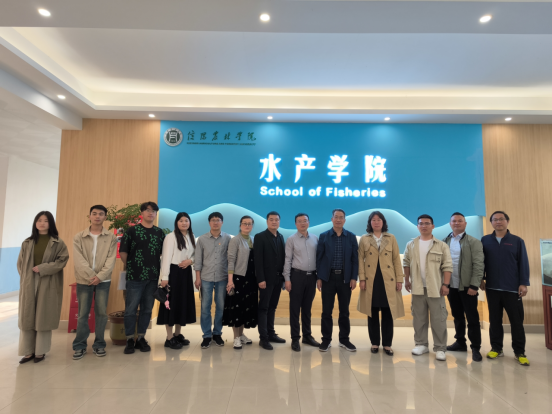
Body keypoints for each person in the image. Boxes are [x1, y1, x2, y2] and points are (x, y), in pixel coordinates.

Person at [17, 211, 69, 364]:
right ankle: (28, 352)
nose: (42, 223)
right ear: (35, 223)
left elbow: (62, 261)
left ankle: (40, 352)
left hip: (48, 281)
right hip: (29, 283)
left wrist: (43, 268)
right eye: (39, 220)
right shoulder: (27, 242)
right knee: (27, 317)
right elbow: (20, 263)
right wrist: (27, 277)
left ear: (50, 223)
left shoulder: (58, 242)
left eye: (46, 221)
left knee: (43, 317)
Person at [481, 211, 530, 366]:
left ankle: (519, 352)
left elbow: (523, 262)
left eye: (501, 219)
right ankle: (496, 348)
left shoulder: (517, 241)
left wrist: (523, 283)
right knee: (495, 320)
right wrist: (481, 278)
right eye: (495, 219)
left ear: (507, 221)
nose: (498, 222)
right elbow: (480, 261)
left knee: (517, 321)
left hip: (512, 289)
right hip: (492, 288)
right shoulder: (485, 240)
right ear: (491, 223)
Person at [403, 214, 452, 361]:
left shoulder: (441, 245)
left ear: (433, 226)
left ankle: (440, 348)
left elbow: (447, 266)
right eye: (421, 223)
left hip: (436, 288)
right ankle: (421, 344)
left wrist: (446, 284)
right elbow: (406, 263)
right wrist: (407, 280)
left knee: (439, 319)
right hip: (417, 288)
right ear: (417, 226)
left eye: (427, 223)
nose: (424, 226)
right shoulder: (411, 244)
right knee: (419, 318)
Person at [72, 205, 118, 360]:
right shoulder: (79, 237)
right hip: (84, 280)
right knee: (83, 314)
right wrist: (92, 276)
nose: (97, 216)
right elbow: (78, 260)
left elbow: (111, 260)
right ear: (89, 216)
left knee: (101, 313)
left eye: (101, 214)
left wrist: (100, 276)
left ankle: (99, 344)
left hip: (103, 281)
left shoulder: (111, 237)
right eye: (94, 213)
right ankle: (80, 346)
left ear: (105, 217)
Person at [119, 201, 165, 354]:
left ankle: (141, 338)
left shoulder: (159, 233)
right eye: (147, 210)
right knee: (131, 309)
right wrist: (133, 266)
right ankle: (129, 339)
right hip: (135, 277)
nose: (151, 213)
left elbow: (161, 254)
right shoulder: (131, 231)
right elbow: (123, 252)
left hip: (153, 277)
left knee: (147, 309)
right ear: (142, 213)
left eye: (153, 211)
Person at [358, 211, 405, 356]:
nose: (376, 222)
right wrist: (362, 279)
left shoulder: (391, 238)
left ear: (383, 222)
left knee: (388, 312)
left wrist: (399, 279)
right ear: (370, 223)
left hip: (388, 279)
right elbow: (360, 260)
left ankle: (387, 344)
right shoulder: (365, 239)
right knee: (371, 312)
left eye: (379, 220)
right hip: (371, 280)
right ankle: (374, 343)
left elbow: (396, 259)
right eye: (373, 220)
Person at [443, 212, 485, 362]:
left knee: (472, 317)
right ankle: (460, 342)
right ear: (450, 223)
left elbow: (479, 265)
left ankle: (475, 347)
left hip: (468, 287)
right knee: (457, 316)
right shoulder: (444, 241)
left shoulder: (474, 242)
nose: (457, 223)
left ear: (465, 224)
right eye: (454, 221)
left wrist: (474, 285)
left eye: (460, 221)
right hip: (451, 286)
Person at [316, 209, 359, 352]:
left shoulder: (351, 237)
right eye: (336, 217)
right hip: (327, 278)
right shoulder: (324, 236)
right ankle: (326, 340)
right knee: (326, 311)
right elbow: (319, 259)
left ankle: (344, 340)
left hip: (345, 279)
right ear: (332, 219)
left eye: (341, 217)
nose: (338, 220)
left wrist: (353, 277)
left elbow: (355, 260)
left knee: (344, 311)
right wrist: (319, 277)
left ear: (344, 220)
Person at [157, 212, 196, 350]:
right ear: (176, 223)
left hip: (186, 273)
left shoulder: (191, 236)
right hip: (173, 273)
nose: (184, 223)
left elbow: (195, 255)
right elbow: (166, 258)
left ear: (190, 222)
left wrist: (190, 261)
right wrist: (165, 277)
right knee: (171, 304)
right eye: (181, 221)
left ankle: (177, 334)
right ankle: (169, 338)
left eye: (186, 220)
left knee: (182, 303)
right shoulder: (170, 237)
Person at [283, 213, 320, 352]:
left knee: (307, 308)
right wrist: (287, 279)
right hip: (297, 276)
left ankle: (307, 336)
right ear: (295, 224)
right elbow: (287, 260)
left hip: (312, 277)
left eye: (305, 221)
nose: (302, 223)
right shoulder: (291, 239)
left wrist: (319, 278)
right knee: (294, 309)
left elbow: (319, 259)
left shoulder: (315, 238)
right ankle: (295, 338)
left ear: (309, 222)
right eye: (299, 221)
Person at [195, 212, 232, 349]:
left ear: (222, 222)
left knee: (220, 307)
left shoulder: (228, 238)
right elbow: (198, 260)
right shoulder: (202, 239)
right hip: (206, 277)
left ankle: (217, 334)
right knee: (205, 307)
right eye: (213, 220)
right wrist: (197, 278)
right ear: (209, 222)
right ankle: (206, 335)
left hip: (222, 277)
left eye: (218, 220)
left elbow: (230, 259)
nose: (215, 222)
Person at [223, 216, 258, 349]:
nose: (247, 226)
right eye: (245, 223)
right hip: (238, 278)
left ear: (252, 226)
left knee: (246, 307)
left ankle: (241, 334)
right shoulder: (235, 240)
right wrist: (230, 281)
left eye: (250, 224)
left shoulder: (254, 240)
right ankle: (236, 337)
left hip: (251, 279)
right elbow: (230, 260)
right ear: (240, 225)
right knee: (237, 308)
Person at [254, 211, 286, 350]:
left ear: (279, 221)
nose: (274, 222)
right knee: (264, 308)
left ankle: (271, 333)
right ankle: (263, 338)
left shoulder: (281, 236)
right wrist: (260, 279)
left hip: (278, 278)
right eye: (271, 219)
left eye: (276, 220)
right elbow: (258, 260)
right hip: (265, 280)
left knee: (272, 307)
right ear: (267, 221)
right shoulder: (260, 237)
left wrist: (284, 278)